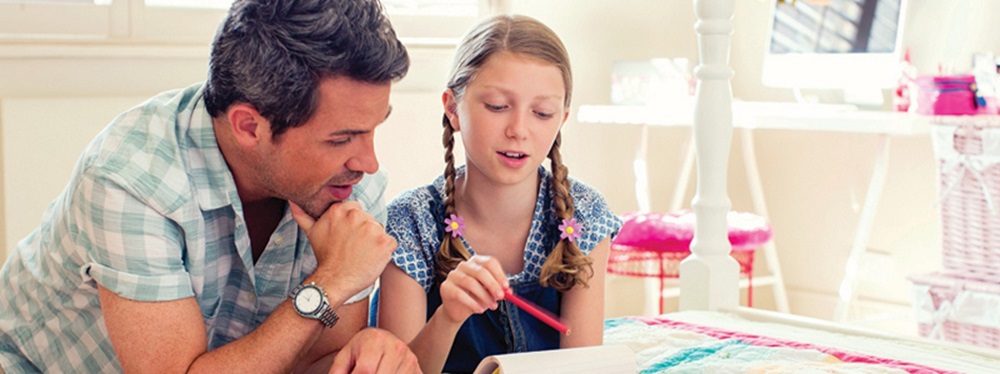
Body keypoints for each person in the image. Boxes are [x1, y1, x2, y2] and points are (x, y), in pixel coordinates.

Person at [0, 0, 420, 373]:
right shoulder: (131, 180)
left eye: (372, 130)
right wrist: (329, 284)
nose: (369, 163)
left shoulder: (349, 185)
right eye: (341, 139)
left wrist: (366, 357)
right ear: (249, 126)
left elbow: (313, 363)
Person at [375, 14, 623, 374]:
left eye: (542, 112)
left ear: (562, 120)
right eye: (496, 106)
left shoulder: (583, 215)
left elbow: (580, 364)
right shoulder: (410, 222)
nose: (519, 129)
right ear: (452, 107)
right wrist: (449, 315)